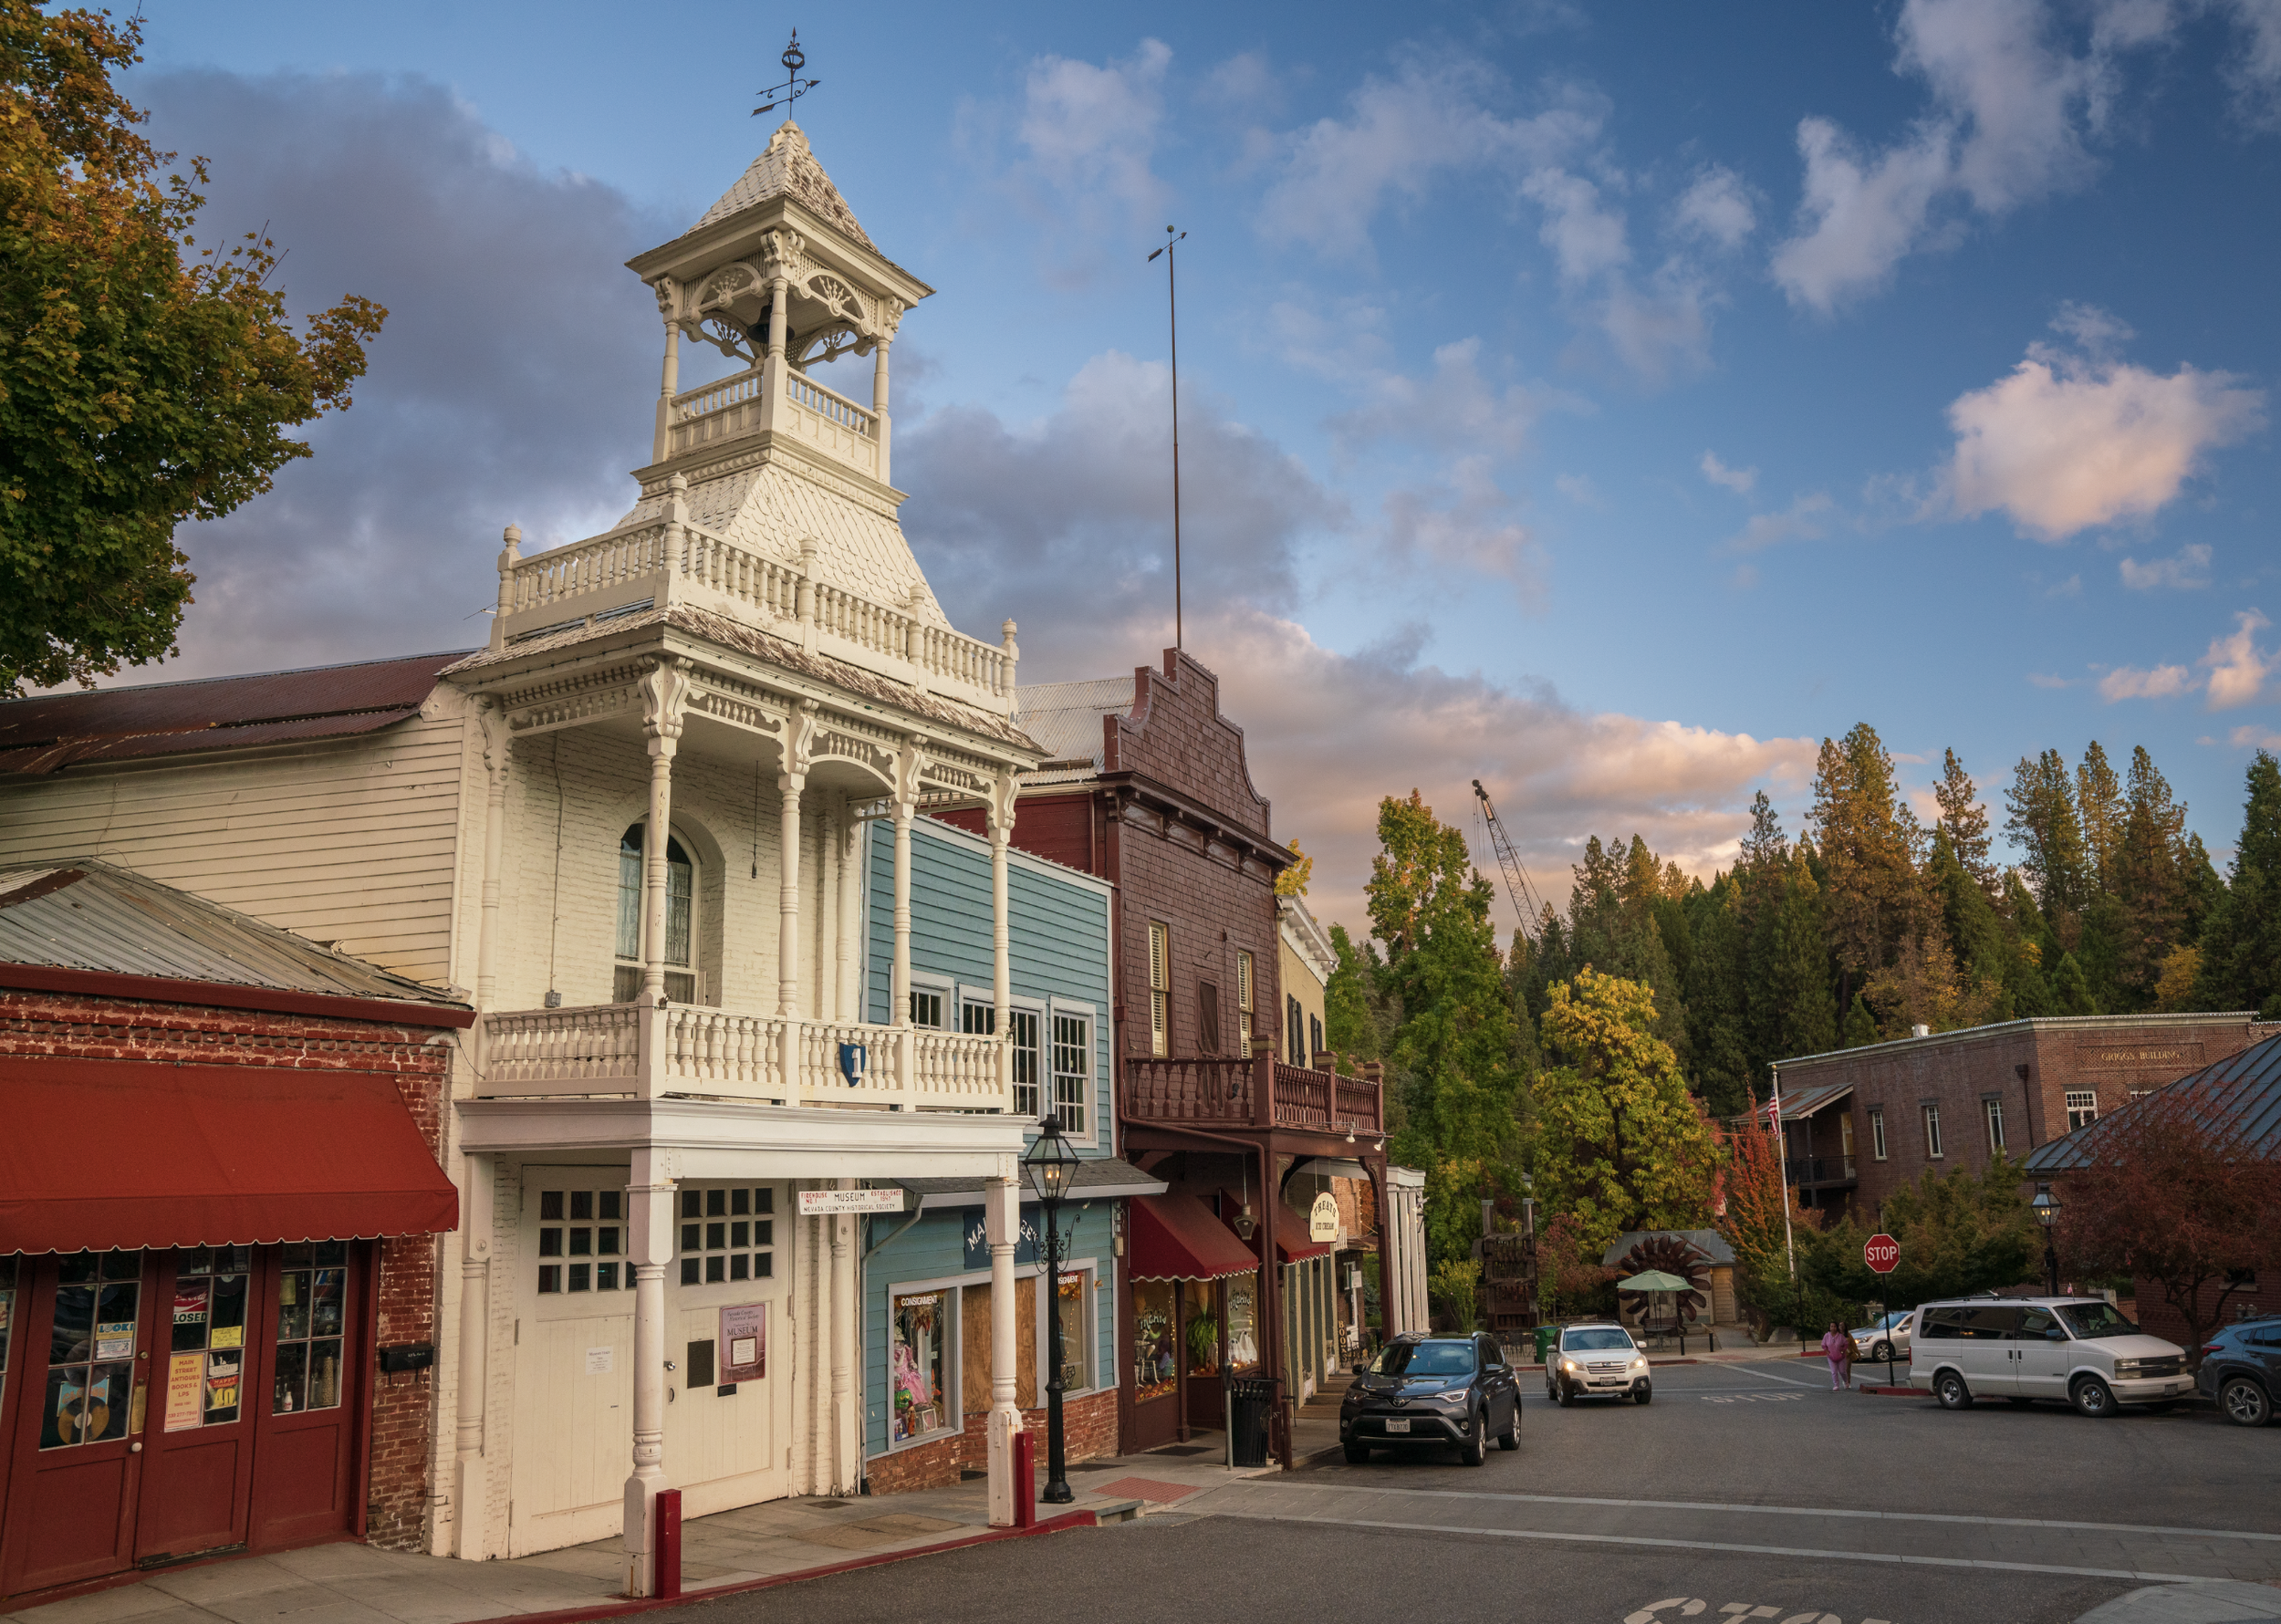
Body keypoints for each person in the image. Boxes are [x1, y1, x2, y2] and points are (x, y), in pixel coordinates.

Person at [1821, 1320, 1852, 1390]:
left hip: (1841, 1357)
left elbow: (1846, 1344)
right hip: (1831, 1357)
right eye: (1832, 1326)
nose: (1833, 1328)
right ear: (1829, 1327)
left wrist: (1843, 1350)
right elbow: (1823, 1345)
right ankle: (1836, 1385)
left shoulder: (1840, 1336)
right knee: (1834, 1372)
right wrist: (1826, 1351)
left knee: (1842, 1371)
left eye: (1835, 1326)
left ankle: (1846, 1382)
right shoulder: (1826, 1336)